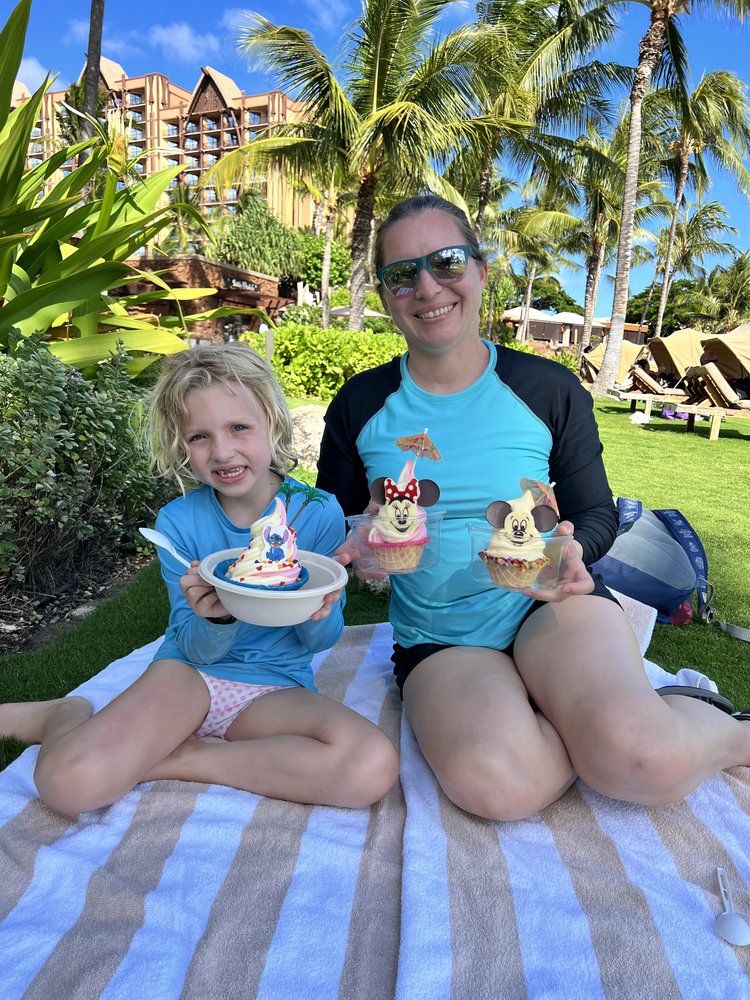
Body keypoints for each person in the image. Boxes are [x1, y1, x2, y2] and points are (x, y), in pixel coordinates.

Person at [317, 194, 750, 822]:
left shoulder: (545, 388)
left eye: (446, 262)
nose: (427, 286)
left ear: (480, 270)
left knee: (643, 761)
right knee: (499, 787)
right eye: (401, 273)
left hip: (550, 606)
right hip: (440, 640)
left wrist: (575, 549)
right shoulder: (360, 404)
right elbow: (338, 522)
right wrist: (356, 551)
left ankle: (721, 726)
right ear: (385, 295)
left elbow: (597, 514)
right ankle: (576, 721)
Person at [0, 343, 398, 817]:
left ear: (272, 424)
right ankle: (64, 713)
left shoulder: (315, 512)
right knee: (68, 786)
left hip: (274, 686)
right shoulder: (179, 523)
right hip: (187, 677)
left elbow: (317, 640)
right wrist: (216, 618)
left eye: (239, 428)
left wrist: (323, 606)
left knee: (370, 765)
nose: (223, 452)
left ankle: (186, 757)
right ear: (180, 443)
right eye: (199, 437)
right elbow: (193, 646)